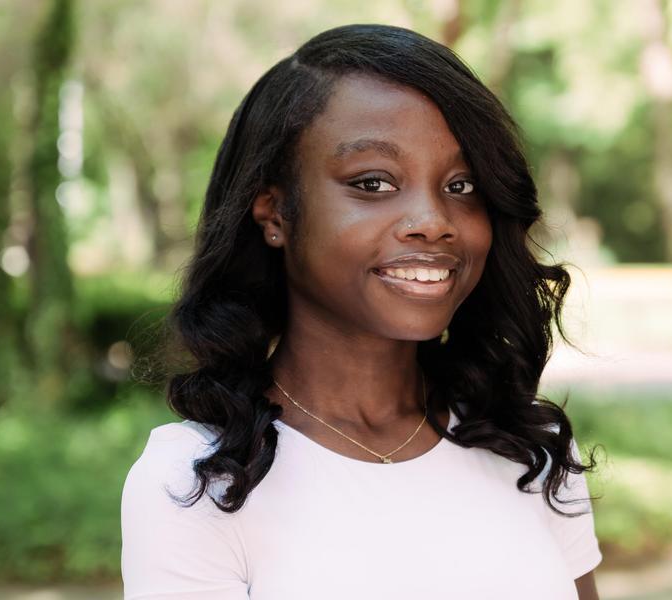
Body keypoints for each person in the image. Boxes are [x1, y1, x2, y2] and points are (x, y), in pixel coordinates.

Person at [120, 23, 603, 600]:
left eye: (462, 184)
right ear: (274, 213)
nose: (433, 220)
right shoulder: (201, 480)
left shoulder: (529, 446)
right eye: (373, 182)